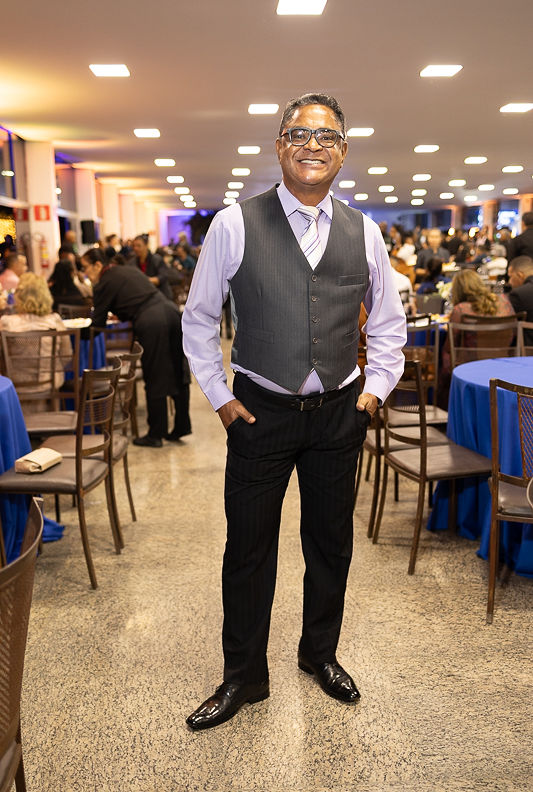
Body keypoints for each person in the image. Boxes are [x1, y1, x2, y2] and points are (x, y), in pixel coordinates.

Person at [182, 92, 406, 731]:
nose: (313, 145)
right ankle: (244, 676)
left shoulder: (365, 231)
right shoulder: (234, 223)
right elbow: (198, 319)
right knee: (248, 548)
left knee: (331, 543)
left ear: (343, 152)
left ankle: (319, 653)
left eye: (327, 137)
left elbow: (388, 322)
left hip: (339, 411)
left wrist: (373, 392)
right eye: (300, 134)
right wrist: (221, 398)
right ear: (280, 146)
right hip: (260, 412)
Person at [81, 248, 191, 446]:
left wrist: (75, 334)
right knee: (177, 370)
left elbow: (97, 325)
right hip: (171, 312)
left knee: (155, 375)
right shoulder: (126, 269)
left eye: (85, 267)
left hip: (152, 320)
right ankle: (181, 426)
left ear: (97, 265)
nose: (84, 273)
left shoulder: (104, 283)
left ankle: (156, 434)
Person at [438, 270, 514, 407]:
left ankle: (446, 406)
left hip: (469, 367)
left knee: (445, 354)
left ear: (457, 291)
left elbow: (451, 346)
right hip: (503, 363)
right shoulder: (504, 303)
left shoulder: (461, 310)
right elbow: (512, 334)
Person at [0, 273, 71, 401]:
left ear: (19, 295)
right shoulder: (55, 321)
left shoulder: (6, 323)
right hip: (50, 385)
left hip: (15, 388)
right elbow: (66, 355)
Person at [131, 234, 172, 300]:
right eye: (134, 246)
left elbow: (162, 277)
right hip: (144, 295)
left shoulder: (157, 259)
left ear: (146, 246)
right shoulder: (133, 262)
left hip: (161, 295)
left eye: (138, 246)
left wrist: (143, 280)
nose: (135, 248)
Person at [508, 255, 533, 344]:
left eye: (510, 277)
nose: (509, 282)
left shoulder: (519, 294)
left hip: (527, 349)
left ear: (520, 275)